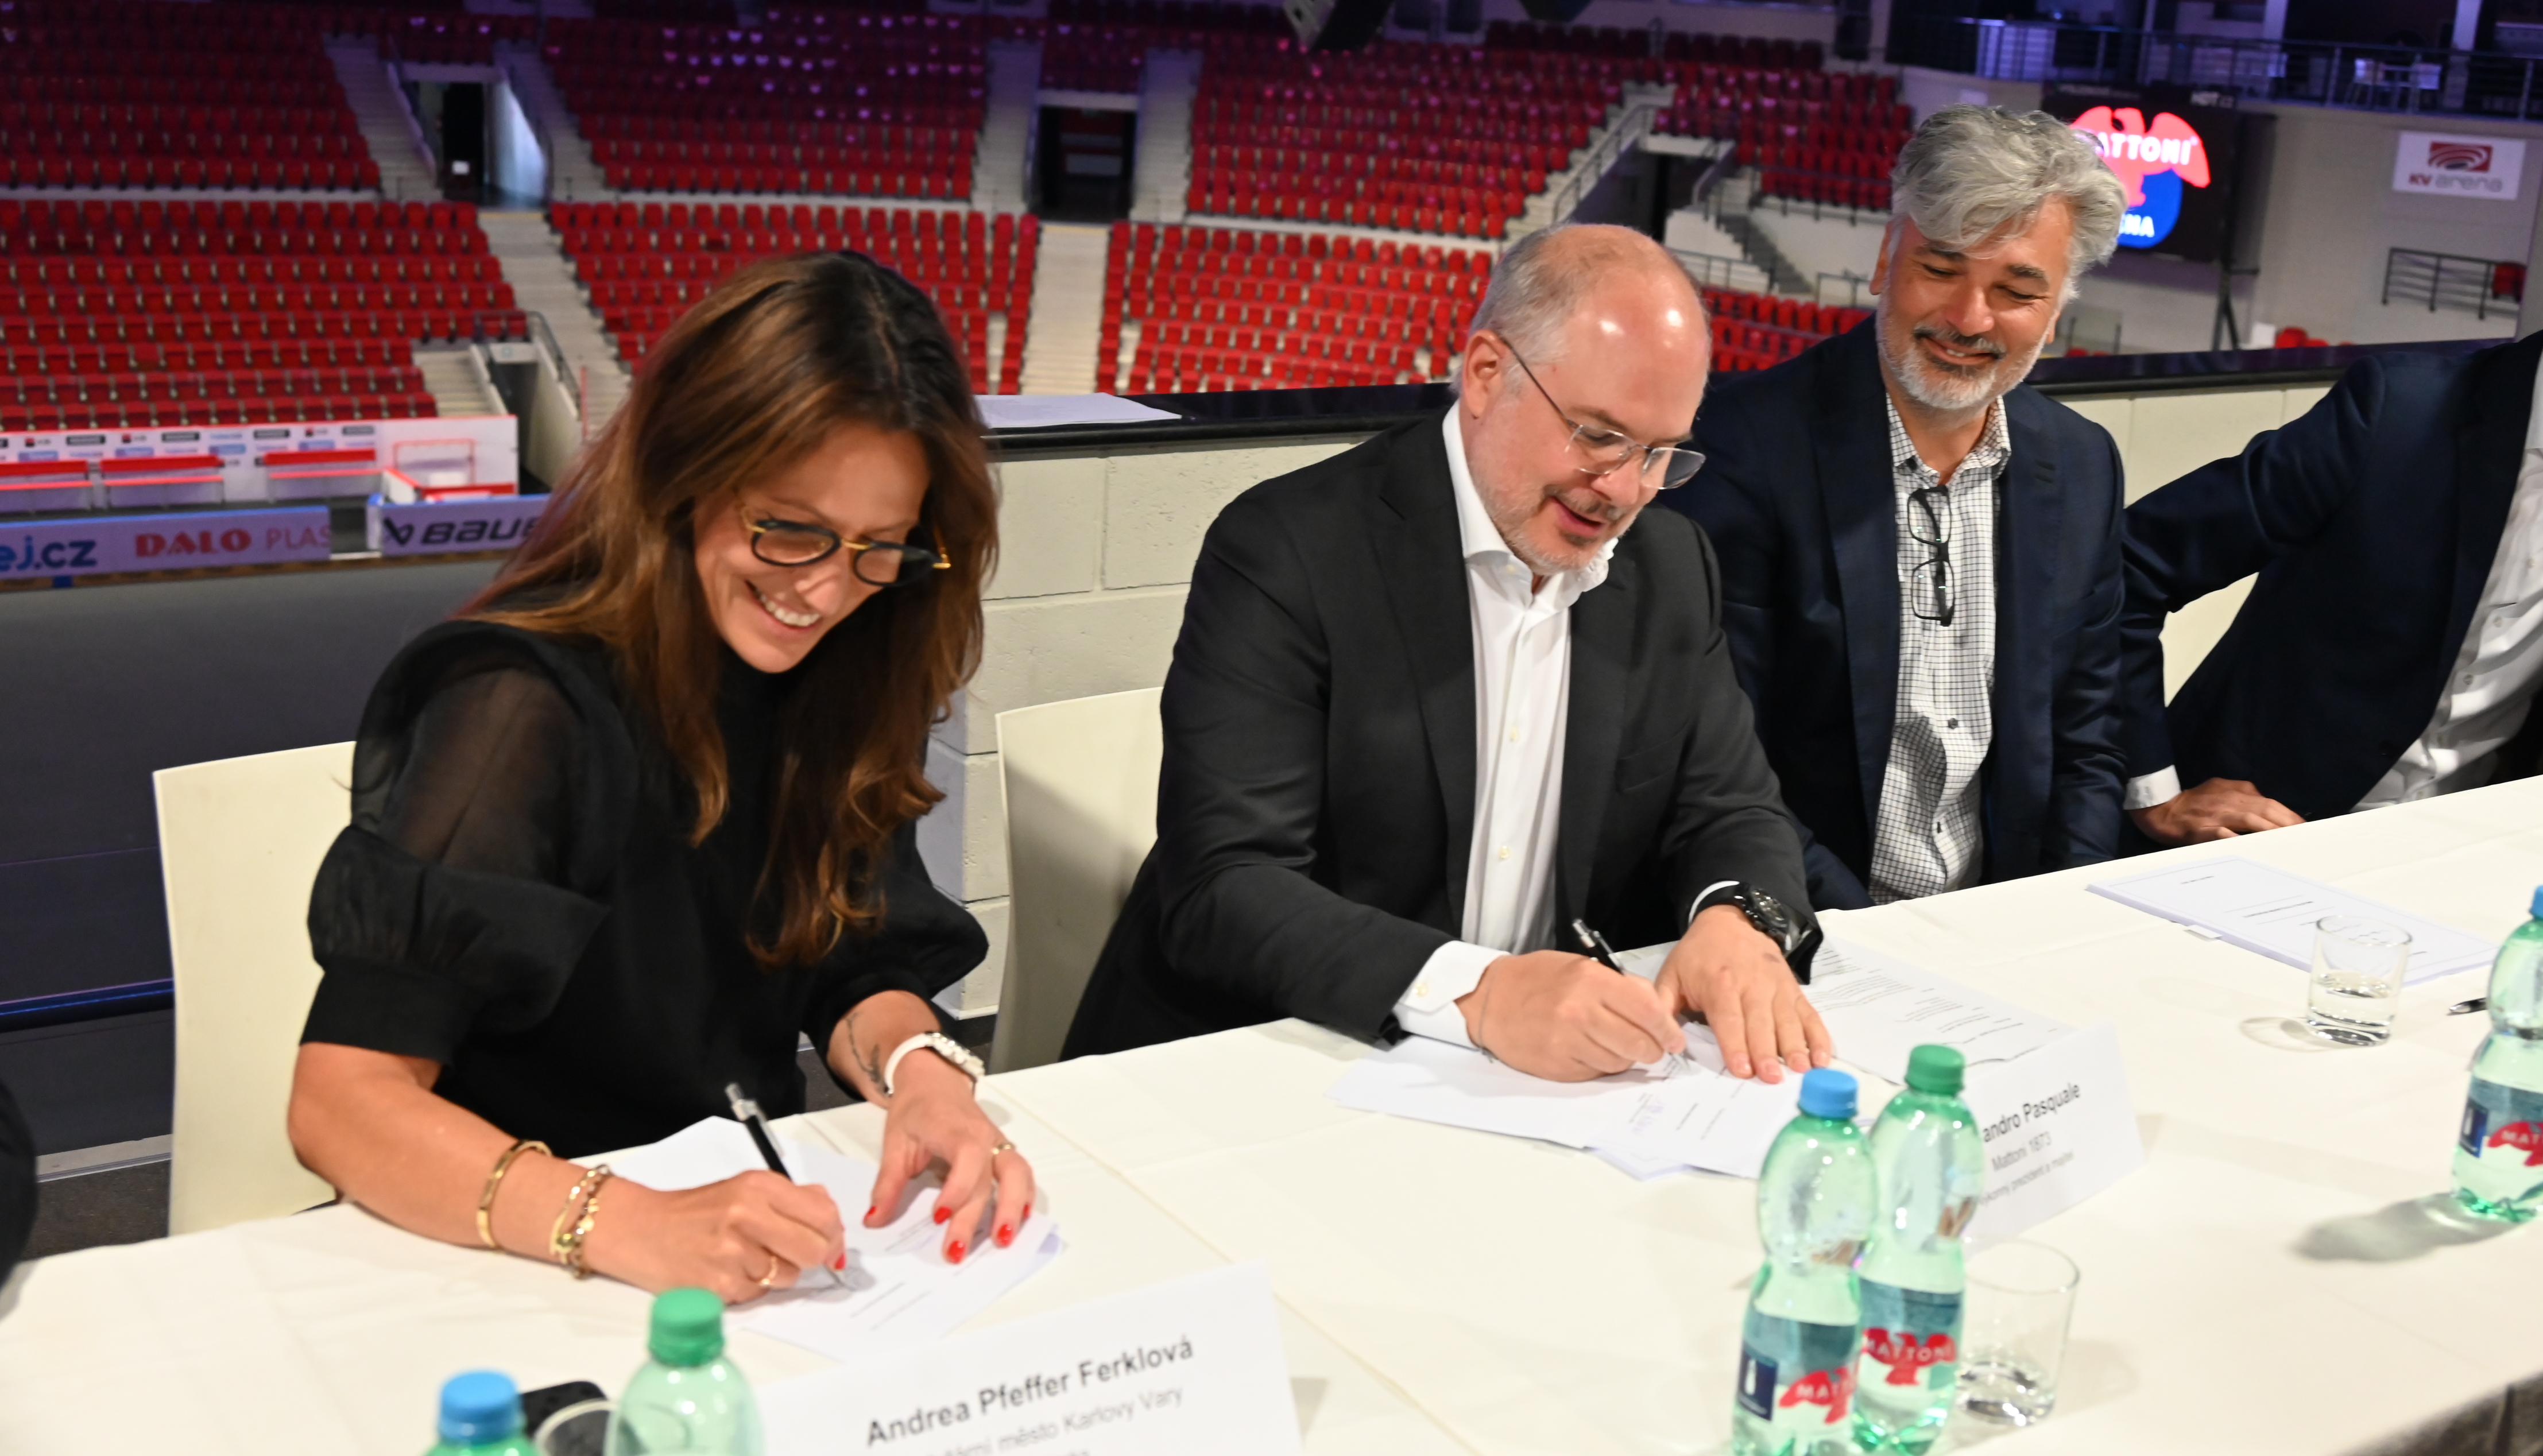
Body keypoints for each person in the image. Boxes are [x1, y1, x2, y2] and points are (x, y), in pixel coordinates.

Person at [287, 252, 1034, 1300]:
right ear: (684, 470)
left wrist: (923, 1073)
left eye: (882, 548)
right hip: (498, 1248)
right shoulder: (520, 701)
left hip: (737, 1221)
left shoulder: (848, 674)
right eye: (790, 530)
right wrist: (623, 1221)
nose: (827, 593)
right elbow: (343, 1098)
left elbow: (854, 962)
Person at [1063, 224, 1830, 1085]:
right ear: (1487, 373)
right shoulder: (1290, 550)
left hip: (1527, 1080)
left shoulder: (1672, 567)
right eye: (1597, 436)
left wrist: (1736, 919)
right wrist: (1478, 992)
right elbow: (1225, 885)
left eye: (1659, 455)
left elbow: (1733, 807)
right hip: (1272, 1053)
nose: (1625, 490)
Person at [1662, 106, 2132, 910]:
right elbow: (1721, 762)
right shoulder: (1743, 450)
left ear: (2057, 310)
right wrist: (1870, 939)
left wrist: (2054, 915)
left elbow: (2087, 742)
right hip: (1804, 922)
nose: (1971, 319)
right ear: (1887, 258)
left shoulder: (2085, 464)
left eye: (2017, 290)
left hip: (1999, 926)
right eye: (1941, 270)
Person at [2121, 208, 2543, 840]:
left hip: (2469, 856)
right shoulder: (2398, 414)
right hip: (2255, 839)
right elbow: (2128, 566)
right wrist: (2154, 792)